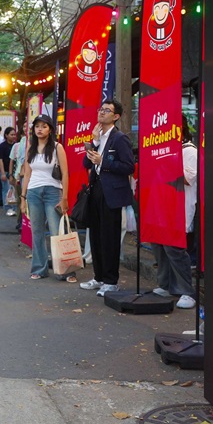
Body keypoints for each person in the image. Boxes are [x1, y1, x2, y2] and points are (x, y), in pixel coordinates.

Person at [78, 98, 136, 296]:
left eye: (107, 110)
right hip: (95, 190)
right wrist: (94, 143)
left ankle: (111, 281)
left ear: (116, 116)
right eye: (101, 109)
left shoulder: (119, 138)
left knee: (109, 237)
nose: (101, 112)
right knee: (95, 236)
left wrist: (103, 162)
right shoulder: (98, 137)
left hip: (112, 193)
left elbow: (129, 166)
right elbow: (86, 164)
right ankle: (99, 277)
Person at [152, 115, 198, 309]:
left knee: (175, 248)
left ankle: (187, 291)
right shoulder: (164, 150)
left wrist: (165, 164)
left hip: (179, 206)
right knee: (159, 244)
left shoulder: (189, 151)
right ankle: (166, 284)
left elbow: (187, 179)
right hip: (161, 204)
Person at [20, 115, 71, 281]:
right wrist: (23, 197)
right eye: (37, 126)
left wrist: (64, 197)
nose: (40, 129)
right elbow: (27, 174)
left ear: (50, 130)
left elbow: (65, 174)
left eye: (44, 126)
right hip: (33, 193)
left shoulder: (57, 147)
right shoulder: (31, 148)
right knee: (37, 232)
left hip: (53, 192)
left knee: (57, 232)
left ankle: (65, 270)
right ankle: (39, 269)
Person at [0, 127, 17, 215]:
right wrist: (3, 173)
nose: (13, 136)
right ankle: (8, 207)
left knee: (14, 190)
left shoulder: (16, 145)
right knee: (6, 189)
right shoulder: (2, 146)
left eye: (14, 134)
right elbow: (0, 160)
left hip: (14, 171)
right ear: (6, 135)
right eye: (11, 134)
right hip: (4, 170)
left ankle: (14, 207)